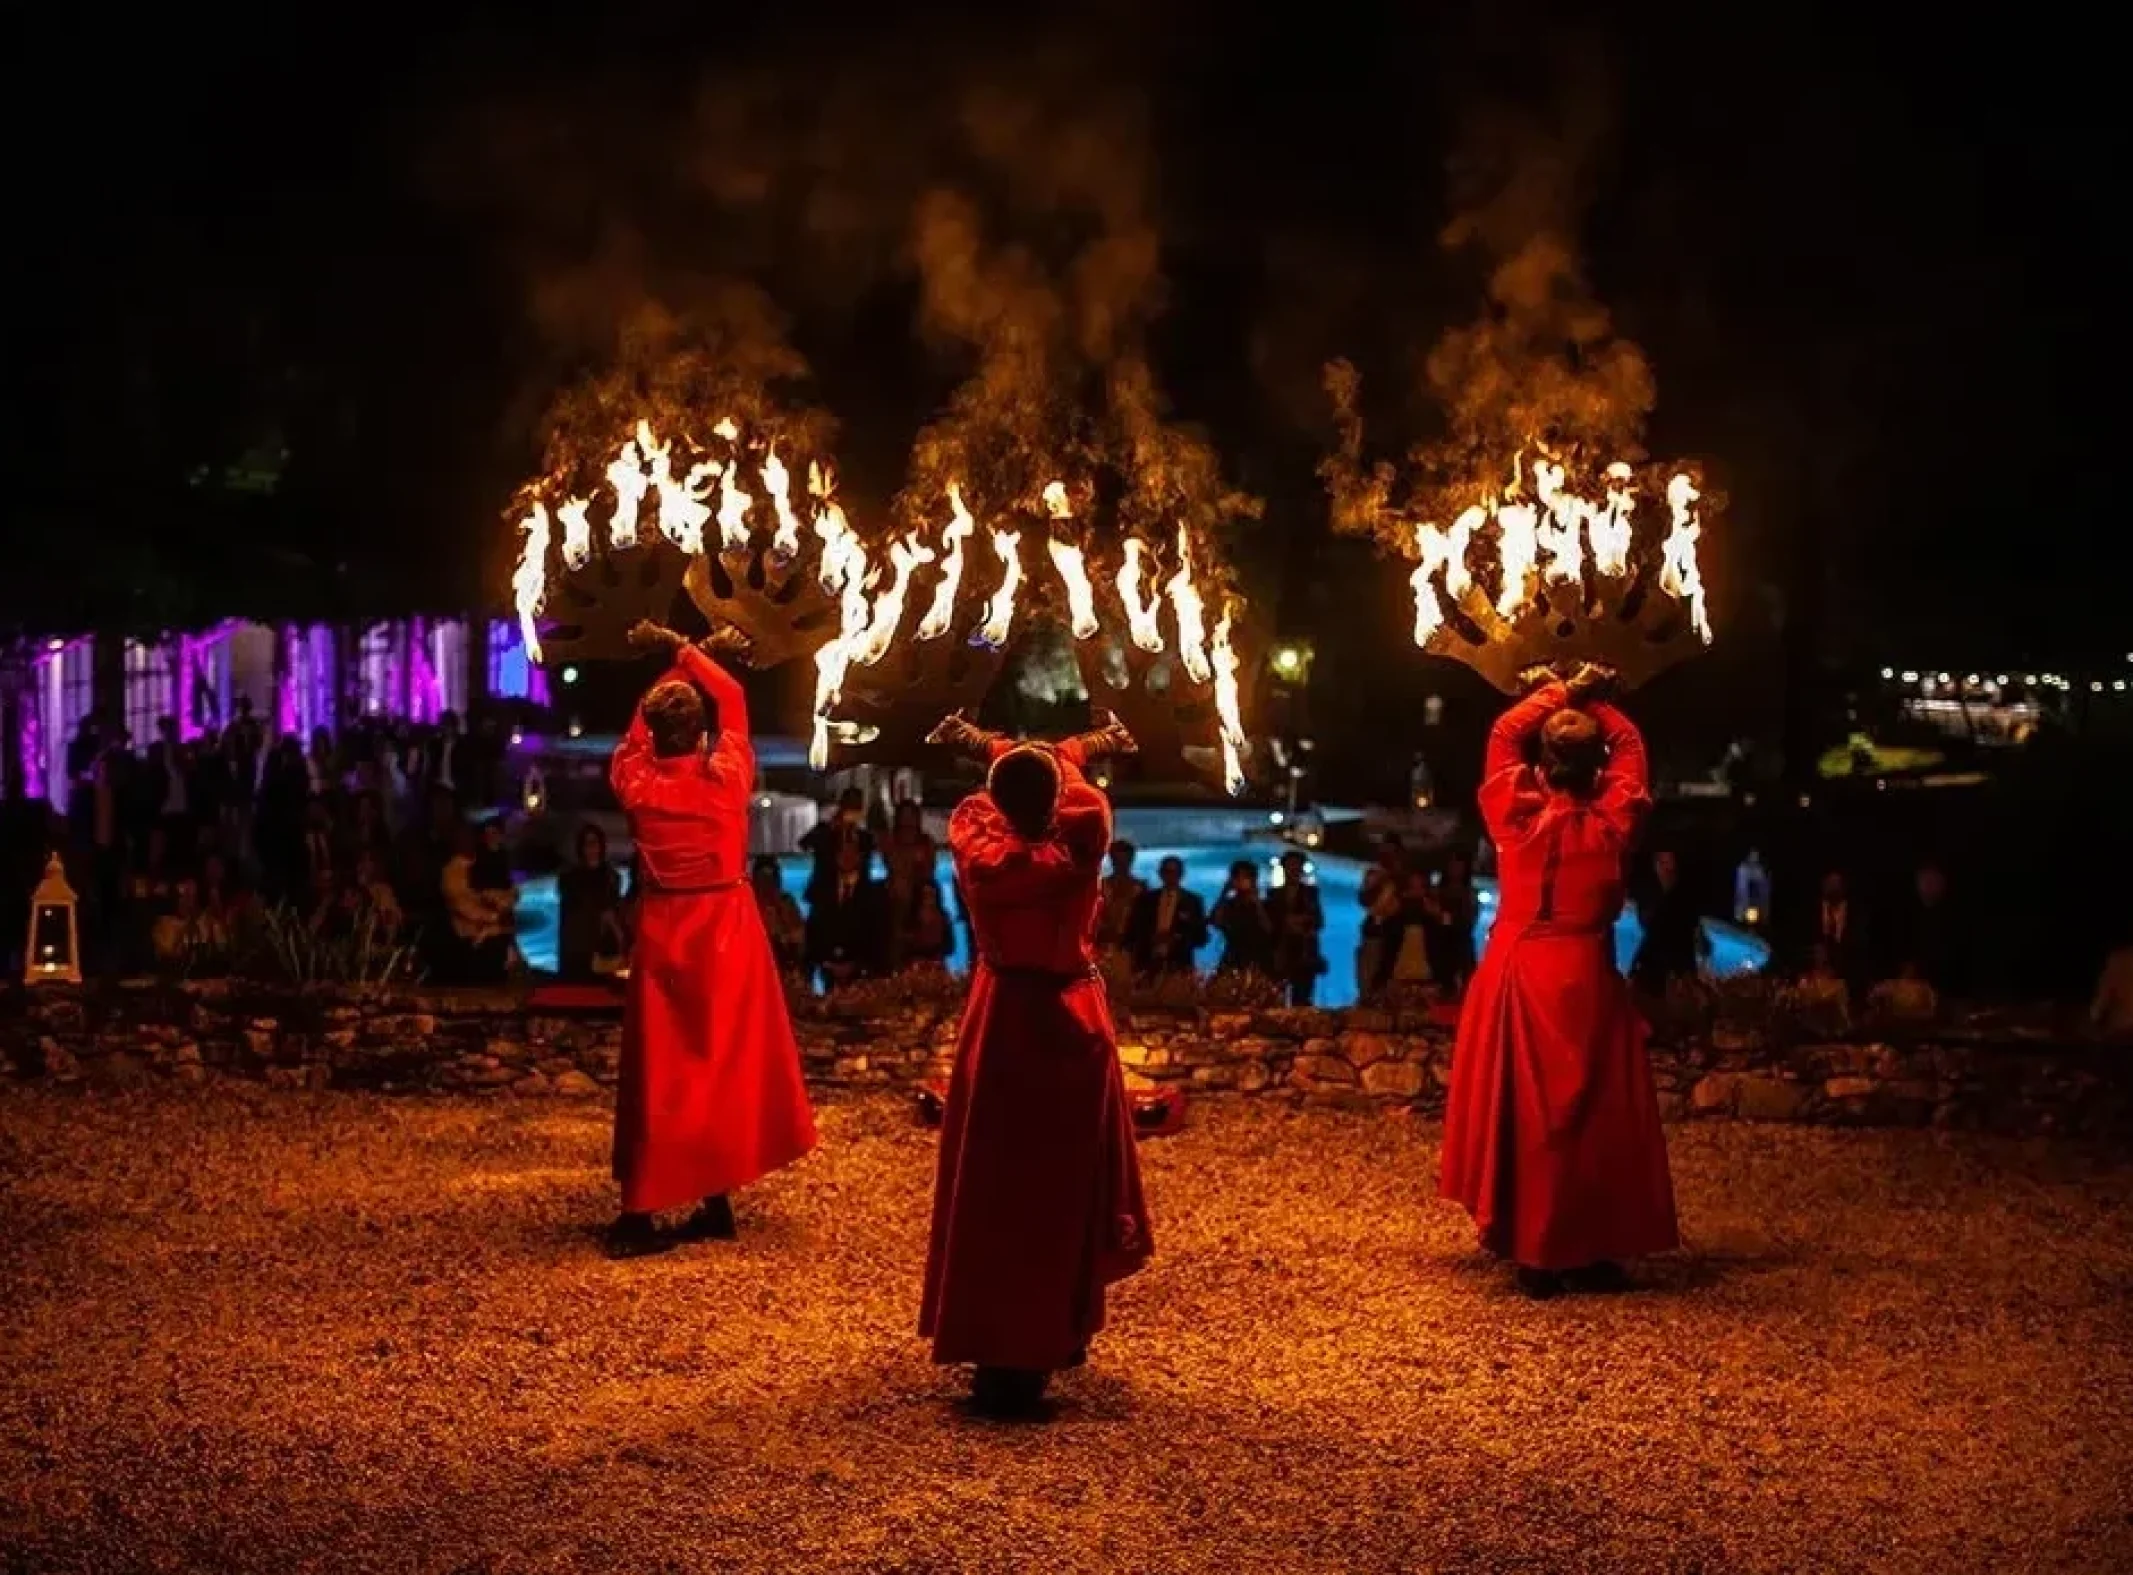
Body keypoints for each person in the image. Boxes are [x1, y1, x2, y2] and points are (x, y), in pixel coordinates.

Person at [919, 708, 1152, 1419]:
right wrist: (1093, 742)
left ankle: (993, 1345)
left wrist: (978, 744)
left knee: (992, 1190)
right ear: (1057, 797)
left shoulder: (974, 838)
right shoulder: (1083, 830)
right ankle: (1053, 1335)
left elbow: (1016, 780)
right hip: (1068, 1021)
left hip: (1001, 1019)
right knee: (1059, 1191)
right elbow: (1060, 779)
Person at [1440, 663, 1678, 1298]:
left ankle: (1537, 1252)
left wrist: (1556, 693)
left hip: (1520, 975)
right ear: (1597, 767)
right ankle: (1586, 1248)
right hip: (1586, 977)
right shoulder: (1616, 818)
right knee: (1593, 1115)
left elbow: (1500, 734)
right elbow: (1630, 745)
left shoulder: (1513, 815)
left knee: (1530, 1115)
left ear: (1541, 765)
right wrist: (1596, 697)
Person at [605, 621, 817, 1259]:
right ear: (700, 734)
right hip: (728, 928)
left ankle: (643, 1210)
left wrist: (673, 661)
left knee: (663, 1070)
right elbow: (735, 702)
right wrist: (694, 653)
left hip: (669, 929)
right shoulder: (728, 777)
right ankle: (714, 1199)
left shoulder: (635, 781)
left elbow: (639, 729)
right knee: (721, 1064)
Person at [805, 838, 889, 991]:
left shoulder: (875, 893)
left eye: (852, 850)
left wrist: (856, 964)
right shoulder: (822, 890)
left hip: (864, 978)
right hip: (829, 974)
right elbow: (813, 929)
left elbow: (879, 935)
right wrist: (826, 962)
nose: (847, 855)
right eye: (842, 850)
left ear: (860, 855)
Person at [1630, 849, 1708, 995]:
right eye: (1664, 863)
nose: (1669, 868)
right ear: (1656, 866)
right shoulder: (1652, 900)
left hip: (1675, 967)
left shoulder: (1684, 899)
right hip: (1665, 968)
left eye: (1671, 864)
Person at [557, 823, 625, 981]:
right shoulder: (569, 879)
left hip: (604, 948)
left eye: (595, 842)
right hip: (579, 947)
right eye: (587, 843)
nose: (592, 848)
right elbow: (572, 913)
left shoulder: (612, 877)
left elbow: (614, 909)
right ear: (581, 848)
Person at [1126, 855, 1206, 978]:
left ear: (1181, 874)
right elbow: (1133, 930)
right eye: (1167, 871)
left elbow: (1201, 937)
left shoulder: (1193, 902)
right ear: (1160, 873)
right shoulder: (1145, 900)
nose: (1171, 876)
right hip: (1147, 963)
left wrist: (1176, 938)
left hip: (1179, 964)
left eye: (1175, 872)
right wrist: (1151, 938)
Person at [1265, 850, 1327, 1006]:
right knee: (1276, 999)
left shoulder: (1311, 893)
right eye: (1290, 866)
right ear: (1284, 868)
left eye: (1297, 866)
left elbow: (1319, 921)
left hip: (1303, 954)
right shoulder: (1273, 894)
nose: (1294, 870)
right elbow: (1269, 925)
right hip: (1281, 952)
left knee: (1302, 999)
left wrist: (1300, 922)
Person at [1357, 836, 1406, 998]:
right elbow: (1364, 899)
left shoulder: (1405, 878)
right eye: (1384, 851)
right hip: (1375, 931)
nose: (1387, 856)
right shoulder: (1374, 874)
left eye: (1392, 852)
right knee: (1369, 974)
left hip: (1399, 933)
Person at [1425, 851, 1480, 995]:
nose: (1454, 867)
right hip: (1436, 950)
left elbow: (1467, 923)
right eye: (1452, 863)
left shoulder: (1470, 893)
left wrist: (1442, 916)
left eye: (1459, 864)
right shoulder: (1436, 891)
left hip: (1459, 952)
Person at [1209, 859, 1275, 976]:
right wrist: (1224, 893)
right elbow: (1216, 922)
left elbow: (1270, 930)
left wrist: (1257, 902)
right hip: (1232, 958)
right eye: (1237, 878)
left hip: (1259, 960)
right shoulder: (1229, 904)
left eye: (1245, 877)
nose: (1241, 881)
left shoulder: (1266, 904)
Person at [750, 856, 807, 977]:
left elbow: (800, 936)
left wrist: (783, 935)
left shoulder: (786, 902)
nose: (766, 885)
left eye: (770, 880)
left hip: (784, 966)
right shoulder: (748, 905)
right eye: (762, 879)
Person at [1095, 839, 1145, 959]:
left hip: (1131, 948)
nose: (1121, 864)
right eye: (1117, 860)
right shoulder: (1100, 887)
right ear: (1112, 860)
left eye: (1124, 860)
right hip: (1102, 945)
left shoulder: (1141, 888)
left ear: (1131, 860)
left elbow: (1145, 921)